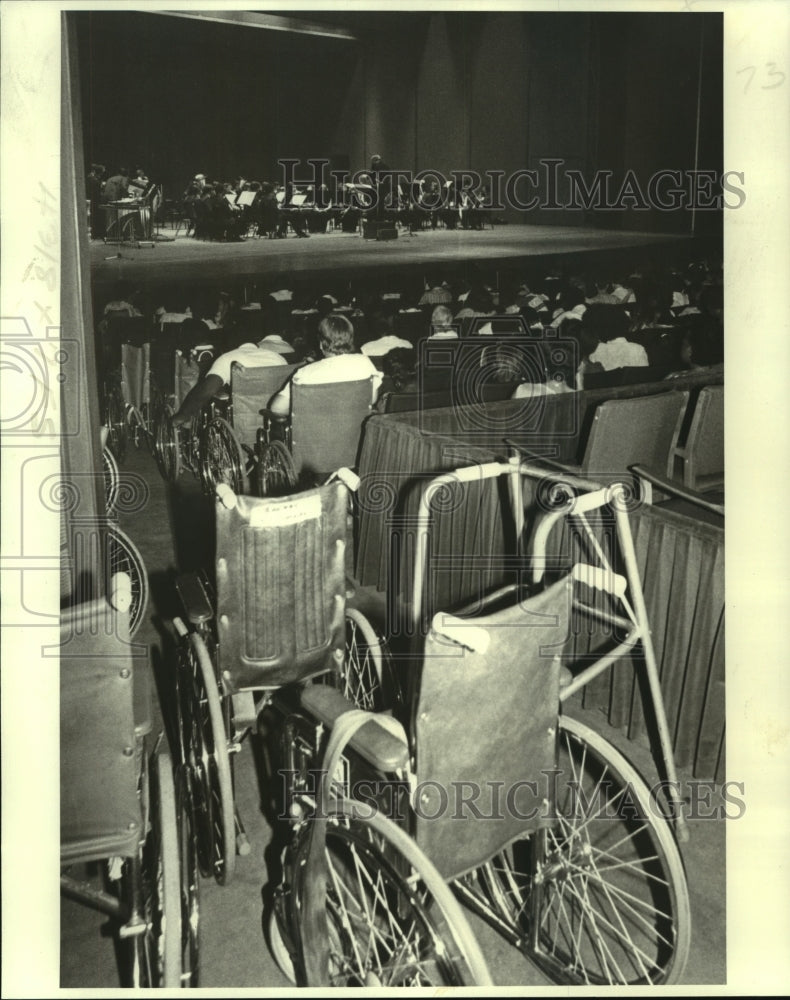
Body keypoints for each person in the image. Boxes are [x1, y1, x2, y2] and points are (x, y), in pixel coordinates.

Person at [269, 313, 382, 417]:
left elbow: (277, 408)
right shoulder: (364, 362)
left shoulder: (305, 373)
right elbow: (371, 400)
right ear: (350, 339)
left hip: (314, 436)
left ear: (321, 344)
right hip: (356, 436)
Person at [173, 339, 287, 425]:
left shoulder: (229, 358)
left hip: (243, 420)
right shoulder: (278, 357)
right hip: (275, 420)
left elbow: (207, 389)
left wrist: (183, 414)